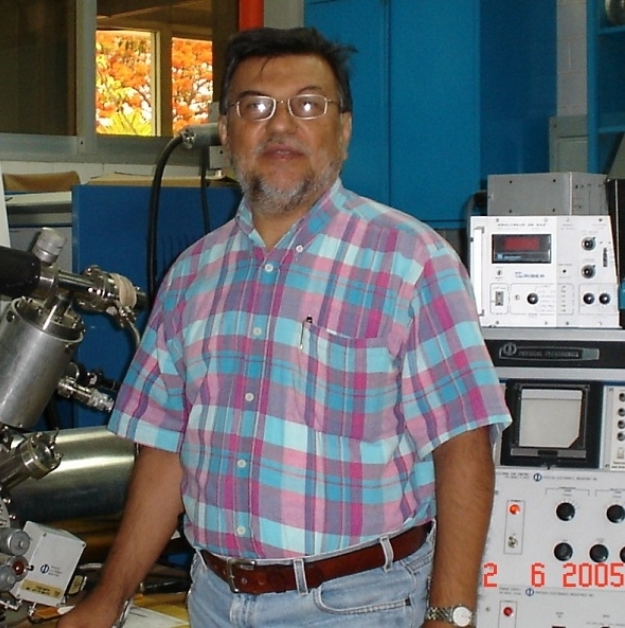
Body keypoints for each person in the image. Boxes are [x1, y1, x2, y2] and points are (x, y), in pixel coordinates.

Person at [59, 26, 511, 628]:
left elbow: (464, 446)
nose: (281, 126)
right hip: (215, 599)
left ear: (343, 130)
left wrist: (449, 616)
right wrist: (108, 598)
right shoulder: (192, 274)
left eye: (308, 105)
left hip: (358, 605)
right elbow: (166, 450)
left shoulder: (411, 260)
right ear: (226, 132)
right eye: (256, 107)